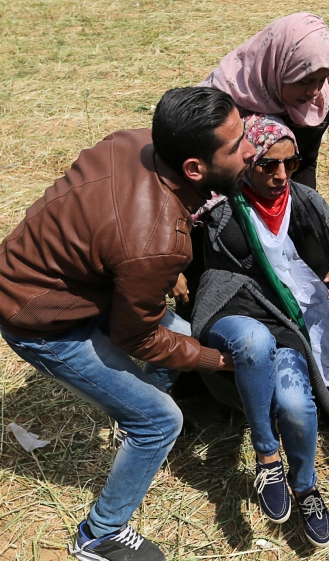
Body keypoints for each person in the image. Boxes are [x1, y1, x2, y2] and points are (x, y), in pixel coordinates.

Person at [0, 87, 251, 561]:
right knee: (161, 421)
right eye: (236, 146)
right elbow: (137, 336)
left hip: (45, 278)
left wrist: (159, 266)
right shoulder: (153, 239)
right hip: (40, 320)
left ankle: (130, 415)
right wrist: (215, 361)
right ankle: (99, 535)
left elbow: (120, 238)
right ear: (194, 169)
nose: (251, 150)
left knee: (179, 335)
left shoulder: (135, 142)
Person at [189, 114, 329, 547]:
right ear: (246, 163)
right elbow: (207, 272)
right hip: (250, 320)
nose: (280, 175)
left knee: (297, 406)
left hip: (297, 330)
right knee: (253, 345)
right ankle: (267, 457)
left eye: (290, 164)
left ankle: (307, 486)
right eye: (268, 165)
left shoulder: (307, 200)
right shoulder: (222, 215)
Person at [200, 12, 329, 189]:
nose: (314, 91)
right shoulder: (224, 103)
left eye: (322, 79)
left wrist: (307, 212)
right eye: (303, 81)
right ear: (277, 68)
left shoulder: (319, 102)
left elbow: (306, 162)